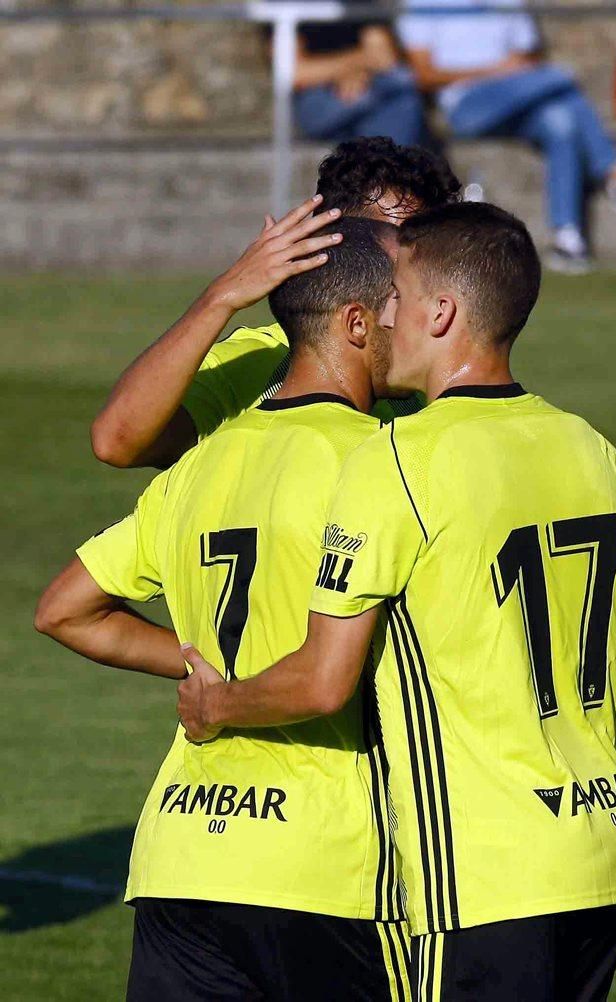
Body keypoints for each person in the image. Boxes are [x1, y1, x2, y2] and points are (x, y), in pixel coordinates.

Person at [178, 202, 616, 1001]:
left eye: (395, 295)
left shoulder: (394, 461)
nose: (382, 317)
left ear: (440, 311)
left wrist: (218, 704)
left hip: (480, 875)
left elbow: (323, 682)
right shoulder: (590, 445)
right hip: (604, 857)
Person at [35, 218, 414, 1001]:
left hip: (183, 854)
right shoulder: (382, 463)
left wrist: (203, 666)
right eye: (401, 305)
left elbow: (65, 609)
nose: (419, 319)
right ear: (354, 322)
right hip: (329, 861)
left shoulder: (202, 462)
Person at [90, 136, 461, 470]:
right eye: (396, 242)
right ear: (331, 240)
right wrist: (221, 297)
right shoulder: (260, 362)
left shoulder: (428, 376)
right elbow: (116, 443)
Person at [398, 0, 616, 273]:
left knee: (562, 122)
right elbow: (422, 74)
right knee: (560, 77)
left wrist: (511, 71)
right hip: (466, 104)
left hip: (519, 99)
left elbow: (528, 60)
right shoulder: (424, 3)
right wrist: (494, 71)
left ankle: (567, 238)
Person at [288, 2, 428, 146]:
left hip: (366, 86)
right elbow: (294, 73)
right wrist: (348, 69)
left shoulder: (359, 3)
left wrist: (357, 71)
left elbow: (385, 58)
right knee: (401, 85)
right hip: (316, 97)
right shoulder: (283, 5)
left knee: (401, 94)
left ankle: (385, 163)